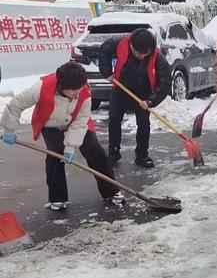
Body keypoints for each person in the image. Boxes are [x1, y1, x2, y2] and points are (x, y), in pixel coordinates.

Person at [0, 62, 124, 210]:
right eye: (73, 91)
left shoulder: (84, 92)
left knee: (95, 151)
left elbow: (80, 122)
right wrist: (9, 129)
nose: (78, 93)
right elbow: (16, 104)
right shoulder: (42, 87)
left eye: (80, 89)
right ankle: (57, 198)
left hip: (77, 121)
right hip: (50, 124)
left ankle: (111, 191)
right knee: (55, 154)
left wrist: (71, 146)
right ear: (62, 85)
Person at [99, 28, 171, 168]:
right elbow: (104, 50)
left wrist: (151, 101)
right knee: (114, 119)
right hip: (121, 87)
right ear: (131, 45)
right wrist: (107, 72)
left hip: (144, 92)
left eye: (145, 53)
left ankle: (142, 155)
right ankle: (113, 152)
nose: (141, 56)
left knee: (144, 123)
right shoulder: (121, 41)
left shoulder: (158, 57)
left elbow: (165, 83)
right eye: (138, 53)